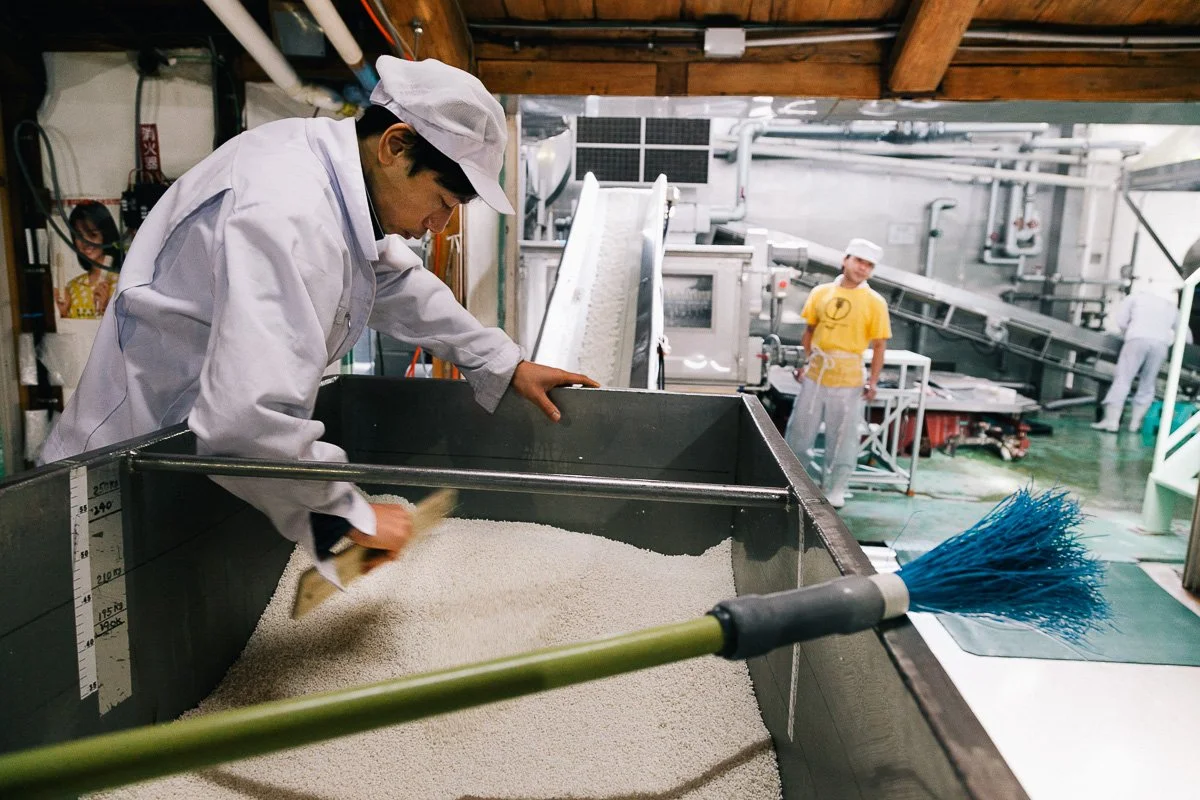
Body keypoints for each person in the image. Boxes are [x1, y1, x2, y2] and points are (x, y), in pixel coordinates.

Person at [40, 56, 598, 582]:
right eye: (445, 199)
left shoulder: (328, 179)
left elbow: (395, 282)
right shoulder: (289, 210)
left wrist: (504, 362)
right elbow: (248, 419)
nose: (439, 224)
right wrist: (347, 512)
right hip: (122, 466)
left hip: (191, 456)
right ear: (396, 146)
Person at [784, 238, 892, 509]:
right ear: (846, 259)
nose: (862, 268)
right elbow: (809, 332)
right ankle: (799, 483)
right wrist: (805, 363)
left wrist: (873, 380)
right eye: (858, 261)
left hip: (849, 377)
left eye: (869, 265)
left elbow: (879, 345)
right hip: (816, 373)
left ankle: (836, 488)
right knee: (800, 431)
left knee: (843, 437)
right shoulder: (821, 293)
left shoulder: (874, 302)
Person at [1092, 283, 1189, 433]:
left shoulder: (1134, 298)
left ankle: (1112, 422)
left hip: (1137, 339)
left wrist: (1127, 333)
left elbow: (1121, 321)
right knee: (1148, 383)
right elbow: (1186, 335)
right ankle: (1135, 424)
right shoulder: (1170, 306)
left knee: (1123, 379)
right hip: (1161, 344)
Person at [54, 201, 122, 320]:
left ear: (106, 235)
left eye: (92, 235)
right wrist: (62, 313)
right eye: (79, 236)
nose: (85, 242)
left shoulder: (123, 284)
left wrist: (107, 309)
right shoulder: (72, 288)